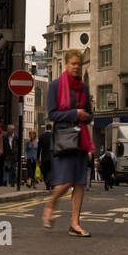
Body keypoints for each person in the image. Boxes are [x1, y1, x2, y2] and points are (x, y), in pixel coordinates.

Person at [44, 51, 95, 236]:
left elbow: (90, 114)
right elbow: (52, 114)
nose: (76, 67)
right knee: (66, 182)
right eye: (73, 63)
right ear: (66, 65)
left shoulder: (84, 87)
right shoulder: (55, 86)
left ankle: (75, 224)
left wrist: (86, 116)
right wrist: (75, 114)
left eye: (78, 64)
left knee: (80, 182)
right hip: (64, 139)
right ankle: (52, 202)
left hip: (81, 139)